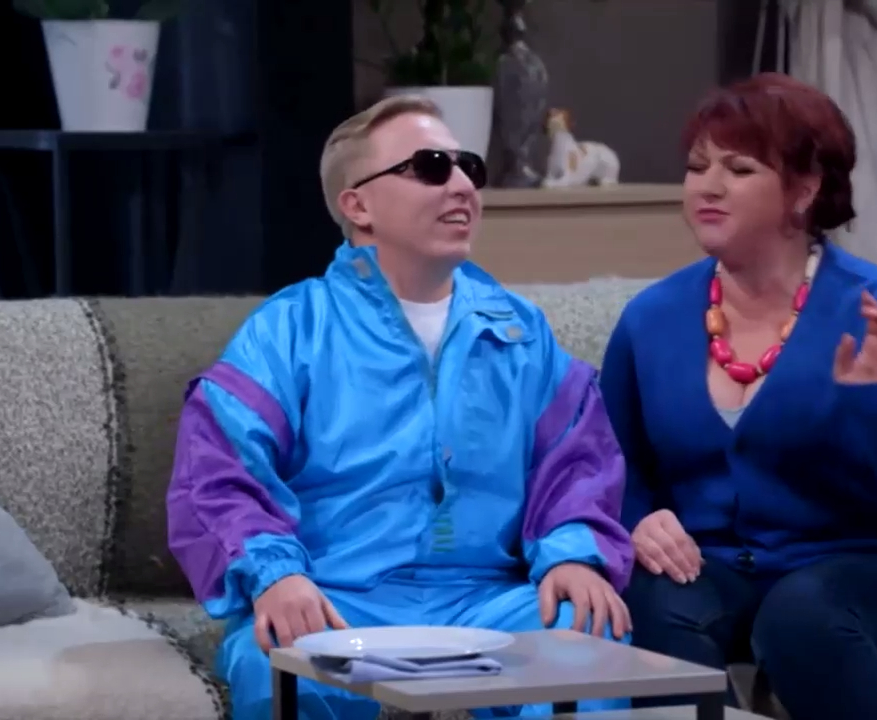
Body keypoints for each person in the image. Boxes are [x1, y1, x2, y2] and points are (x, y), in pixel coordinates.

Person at [166, 95, 634, 720]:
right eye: (431, 167)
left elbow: (576, 463)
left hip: (488, 600)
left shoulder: (521, 332)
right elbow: (219, 474)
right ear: (357, 205)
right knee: (275, 666)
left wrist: (573, 553)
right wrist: (276, 575)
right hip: (334, 598)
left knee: (589, 640)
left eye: (468, 166)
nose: (462, 184)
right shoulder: (290, 331)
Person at [598, 73, 877, 720]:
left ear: (804, 190)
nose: (707, 186)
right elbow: (608, 463)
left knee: (802, 618)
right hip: (714, 567)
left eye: (739, 169)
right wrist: (637, 518)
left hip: (869, 571)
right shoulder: (651, 319)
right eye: (697, 167)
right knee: (648, 605)